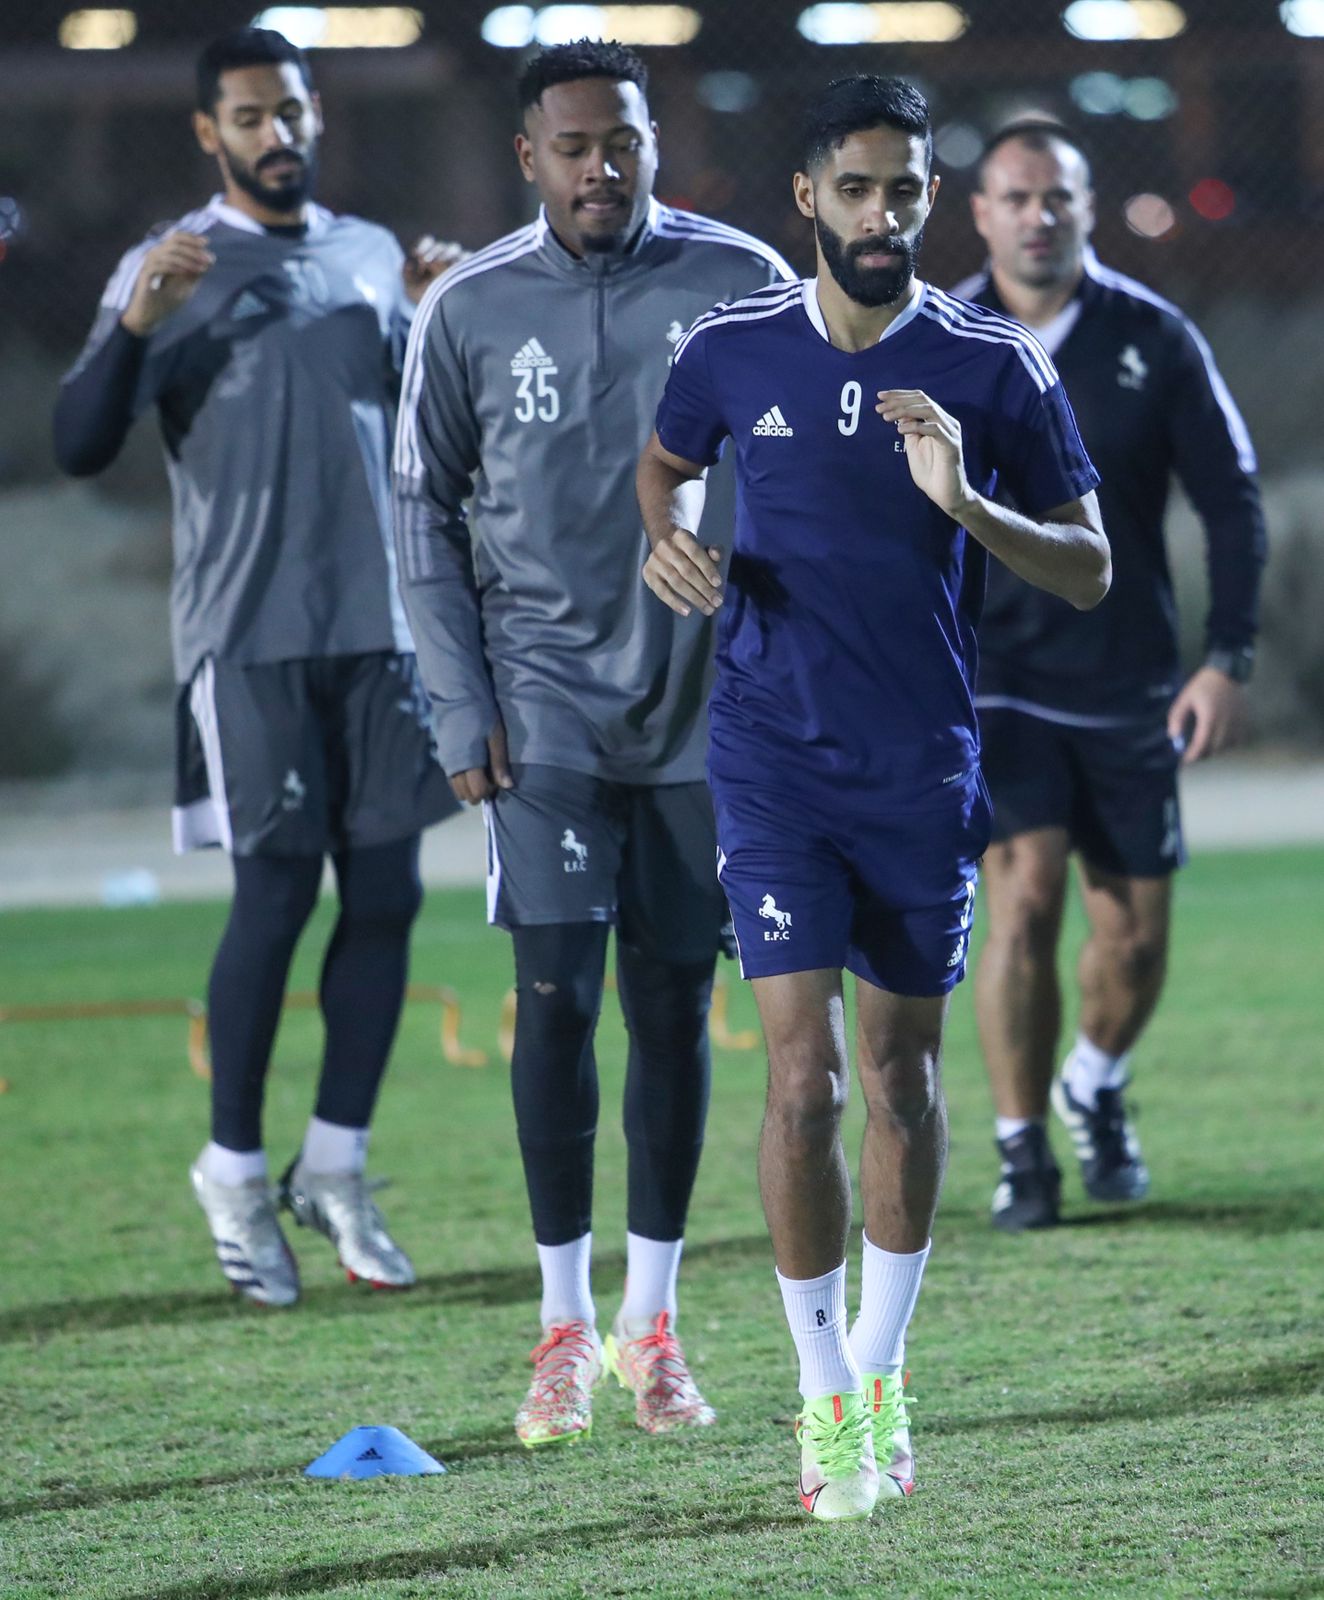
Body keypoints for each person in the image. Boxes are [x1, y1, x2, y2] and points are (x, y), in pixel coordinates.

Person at [638, 75, 1109, 1520]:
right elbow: (661, 469)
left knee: (901, 1079)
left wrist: (966, 504)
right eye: (859, 189)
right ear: (809, 200)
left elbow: (1088, 568)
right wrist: (669, 544)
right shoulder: (729, 350)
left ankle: (886, 1373)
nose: (886, 214)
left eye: (907, 188)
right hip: (772, 762)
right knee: (804, 1081)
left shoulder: (990, 364)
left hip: (921, 771)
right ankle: (824, 1398)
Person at [393, 39, 793, 1446]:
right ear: (529, 159)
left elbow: (810, 484)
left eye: (621, 138)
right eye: (573, 145)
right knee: (558, 1000)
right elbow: (422, 514)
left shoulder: (745, 282)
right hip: (544, 706)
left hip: (704, 716)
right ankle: (561, 1328)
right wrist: (459, 698)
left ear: (653, 140)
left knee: (675, 1010)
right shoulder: (471, 307)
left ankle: (652, 1329)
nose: (601, 165)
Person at [53, 27, 462, 1306]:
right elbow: (77, 441)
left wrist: (433, 315)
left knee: (388, 900)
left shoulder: (365, 257)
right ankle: (231, 1169)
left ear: (313, 114)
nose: (273, 133)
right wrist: (135, 324)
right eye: (247, 115)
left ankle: (333, 1164)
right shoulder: (170, 265)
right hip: (249, 637)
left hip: (381, 630)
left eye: (288, 110)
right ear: (207, 132)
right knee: (276, 903)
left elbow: (420, 426)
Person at [956, 122, 1268, 1231]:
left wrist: (1224, 657)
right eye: (1016, 196)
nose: (1038, 215)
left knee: (1131, 940)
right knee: (1025, 894)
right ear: (980, 212)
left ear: (1087, 208)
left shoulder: (1154, 335)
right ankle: (1020, 1148)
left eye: (1058, 196)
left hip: (1127, 675)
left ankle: (1091, 1082)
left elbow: (1230, 500)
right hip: (991, 674)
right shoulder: (944, 336)